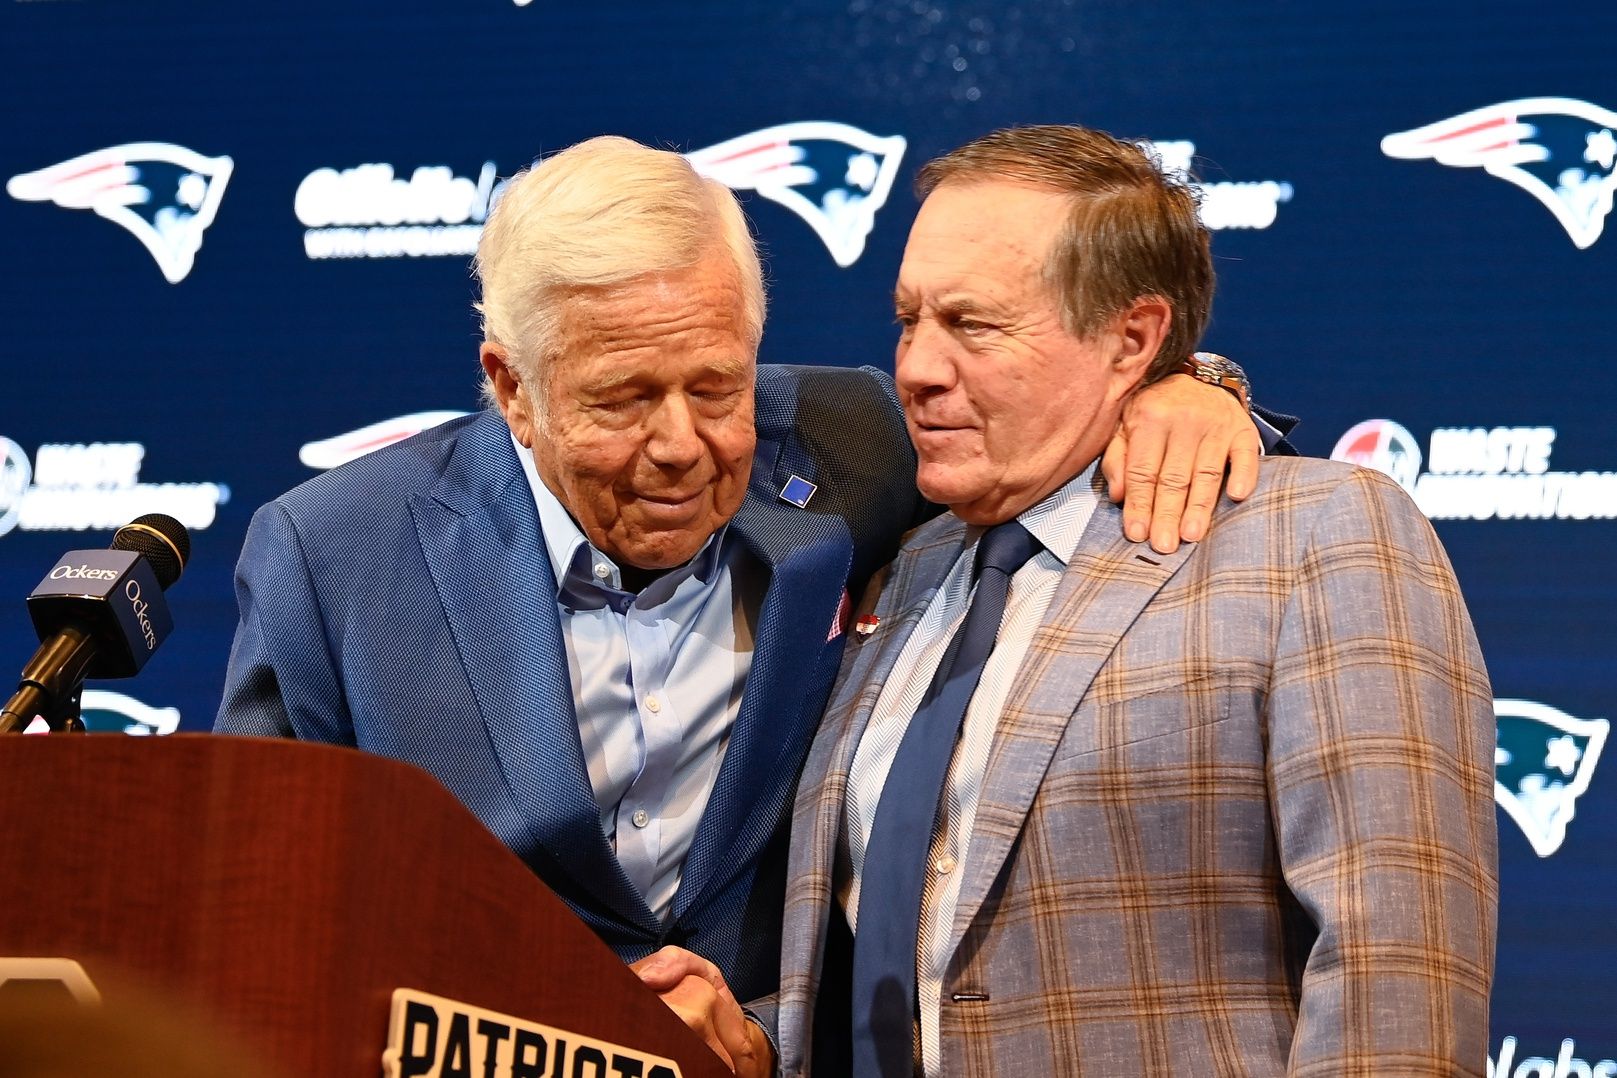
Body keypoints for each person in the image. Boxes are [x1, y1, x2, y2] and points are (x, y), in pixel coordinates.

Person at [214, 135, 1289, 1006]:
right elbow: (259, 916)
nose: (684, 443)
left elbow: (1052, 411)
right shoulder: (335, 555)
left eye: (718, 385)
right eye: (624, 398)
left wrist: (1190, 386)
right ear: (514, 388)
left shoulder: (851, 438)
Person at [635, 125, 1497, 1076]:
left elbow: (1398, 973)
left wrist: (1205, 383)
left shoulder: (1315, 535)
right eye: (908, 319)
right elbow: (915, 959)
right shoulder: (905, 568)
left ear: (1131, 338)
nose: (916, 368)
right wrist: (759, 1038)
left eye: (971, 324)